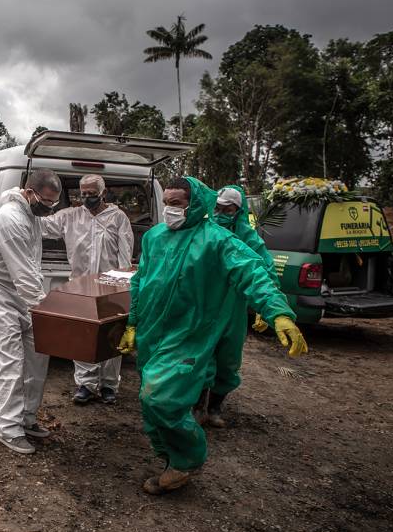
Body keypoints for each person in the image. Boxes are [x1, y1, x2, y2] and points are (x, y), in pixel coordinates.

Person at [118, 177, 308, 495]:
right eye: (166, 202)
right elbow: (141, 280)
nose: (169, 209)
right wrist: (133, 323)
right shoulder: (153, 237)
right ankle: (171, 459)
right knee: (149, 401)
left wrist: (278, 312)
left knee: (161, 399)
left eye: (177, 203)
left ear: (195, 204)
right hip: (154, 334)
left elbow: (253, 271)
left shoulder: (217, 240)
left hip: (189, 335)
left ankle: (188, 459)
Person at [0, 169, 62, 454]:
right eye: (45, 202)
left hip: (22, 295)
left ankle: (27, 418)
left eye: (53, 204)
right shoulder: (10, 218)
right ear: (29, 192)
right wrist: (47, 310)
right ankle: (9, 429)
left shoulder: (31, 217)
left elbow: (30, 271)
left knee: (37, 357)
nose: (47, 208)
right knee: (9, 362)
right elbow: (23, 274)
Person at [41, 174, 134, 405]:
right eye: (83, 193)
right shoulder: (70, 217)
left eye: (92, 193)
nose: (87, 198)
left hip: (111, 286)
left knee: (113, 336)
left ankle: (109, 385)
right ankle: (85, 384)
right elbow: (41, 225)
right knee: (82, 335)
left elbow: (125, 253)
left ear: (103, 192)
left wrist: (125, 284)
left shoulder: (117, 218)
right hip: (81, 285)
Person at [196, 186, 278, 428]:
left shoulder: (248, 237)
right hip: (205, 302)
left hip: (233, 304)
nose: (221, 213)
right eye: (217, 208)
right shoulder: (203, 231)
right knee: (202, 354)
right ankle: (198, 407)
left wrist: (267, 307)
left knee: (228, 356)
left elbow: (266, 269)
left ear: (237, 211)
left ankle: (214, 407)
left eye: (227, 209)